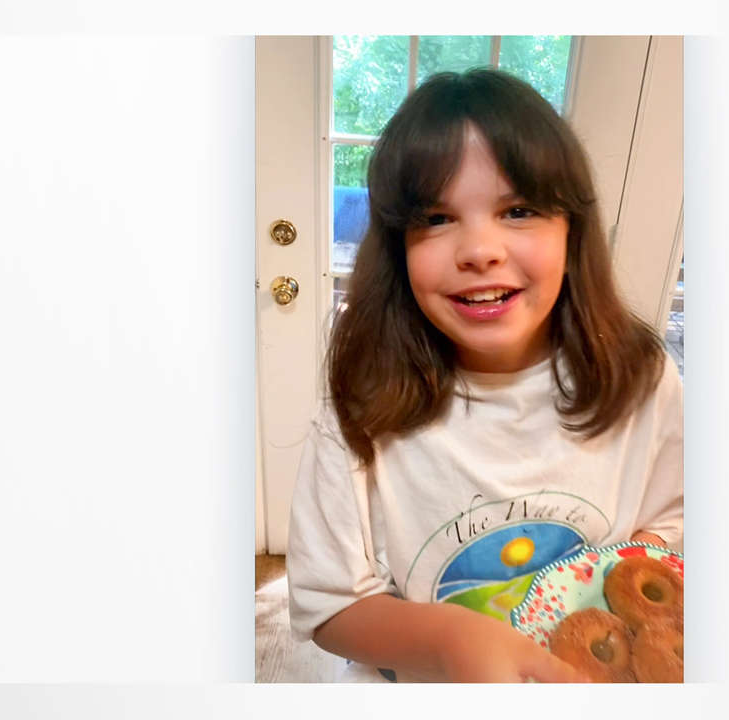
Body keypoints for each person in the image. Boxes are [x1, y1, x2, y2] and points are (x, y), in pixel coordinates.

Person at [285, 68, 683, 683]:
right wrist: (448, 641)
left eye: (518, 210)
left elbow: (671, 536)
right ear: (397, 249)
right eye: (436, 218)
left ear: (573, 233)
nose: (479, 251)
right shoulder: (363, 400)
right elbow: (328, 605)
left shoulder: (640, 380)